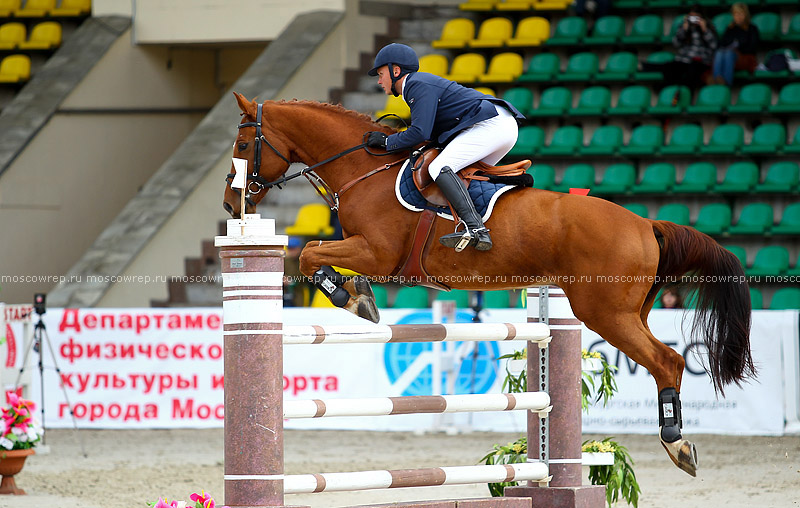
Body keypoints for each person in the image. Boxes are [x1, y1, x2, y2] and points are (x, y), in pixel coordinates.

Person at [363, 43, 525, 252]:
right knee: (463, 176)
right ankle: (487, 223)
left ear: (396, 71)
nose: (379, 80)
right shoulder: (418, 85)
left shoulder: (416, 84)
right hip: (499, 125)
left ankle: (476, 229)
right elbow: (429, 134)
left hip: (492, 125)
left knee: (439, 167)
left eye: (381, 73)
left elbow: (420, 132)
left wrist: (387, 143)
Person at [640, 5, 717, 90]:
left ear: (701, 18)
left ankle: (670, 87)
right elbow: (676, 44)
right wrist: (684, 30)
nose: (694, 20)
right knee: (669, 67)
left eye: (696, 17)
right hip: (684, 60)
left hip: (700, 62)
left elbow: (714, 46)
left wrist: (705, 30)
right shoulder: (684, 27)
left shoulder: (708, 28)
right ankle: (646, 68)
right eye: (691, 17)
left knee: (692, 71)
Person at [711, 2, 760, 86]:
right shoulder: (730, 28)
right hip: (729, 57)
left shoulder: (752, 29)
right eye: (736, 14)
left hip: (746, 57)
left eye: (741, 14)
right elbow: (722, 43)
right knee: (719, 52)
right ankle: (717, 80)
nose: (738, 17)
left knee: (729, 54)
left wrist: (737, 48)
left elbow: (752, 47)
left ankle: (726, 84)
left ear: (746, 15)